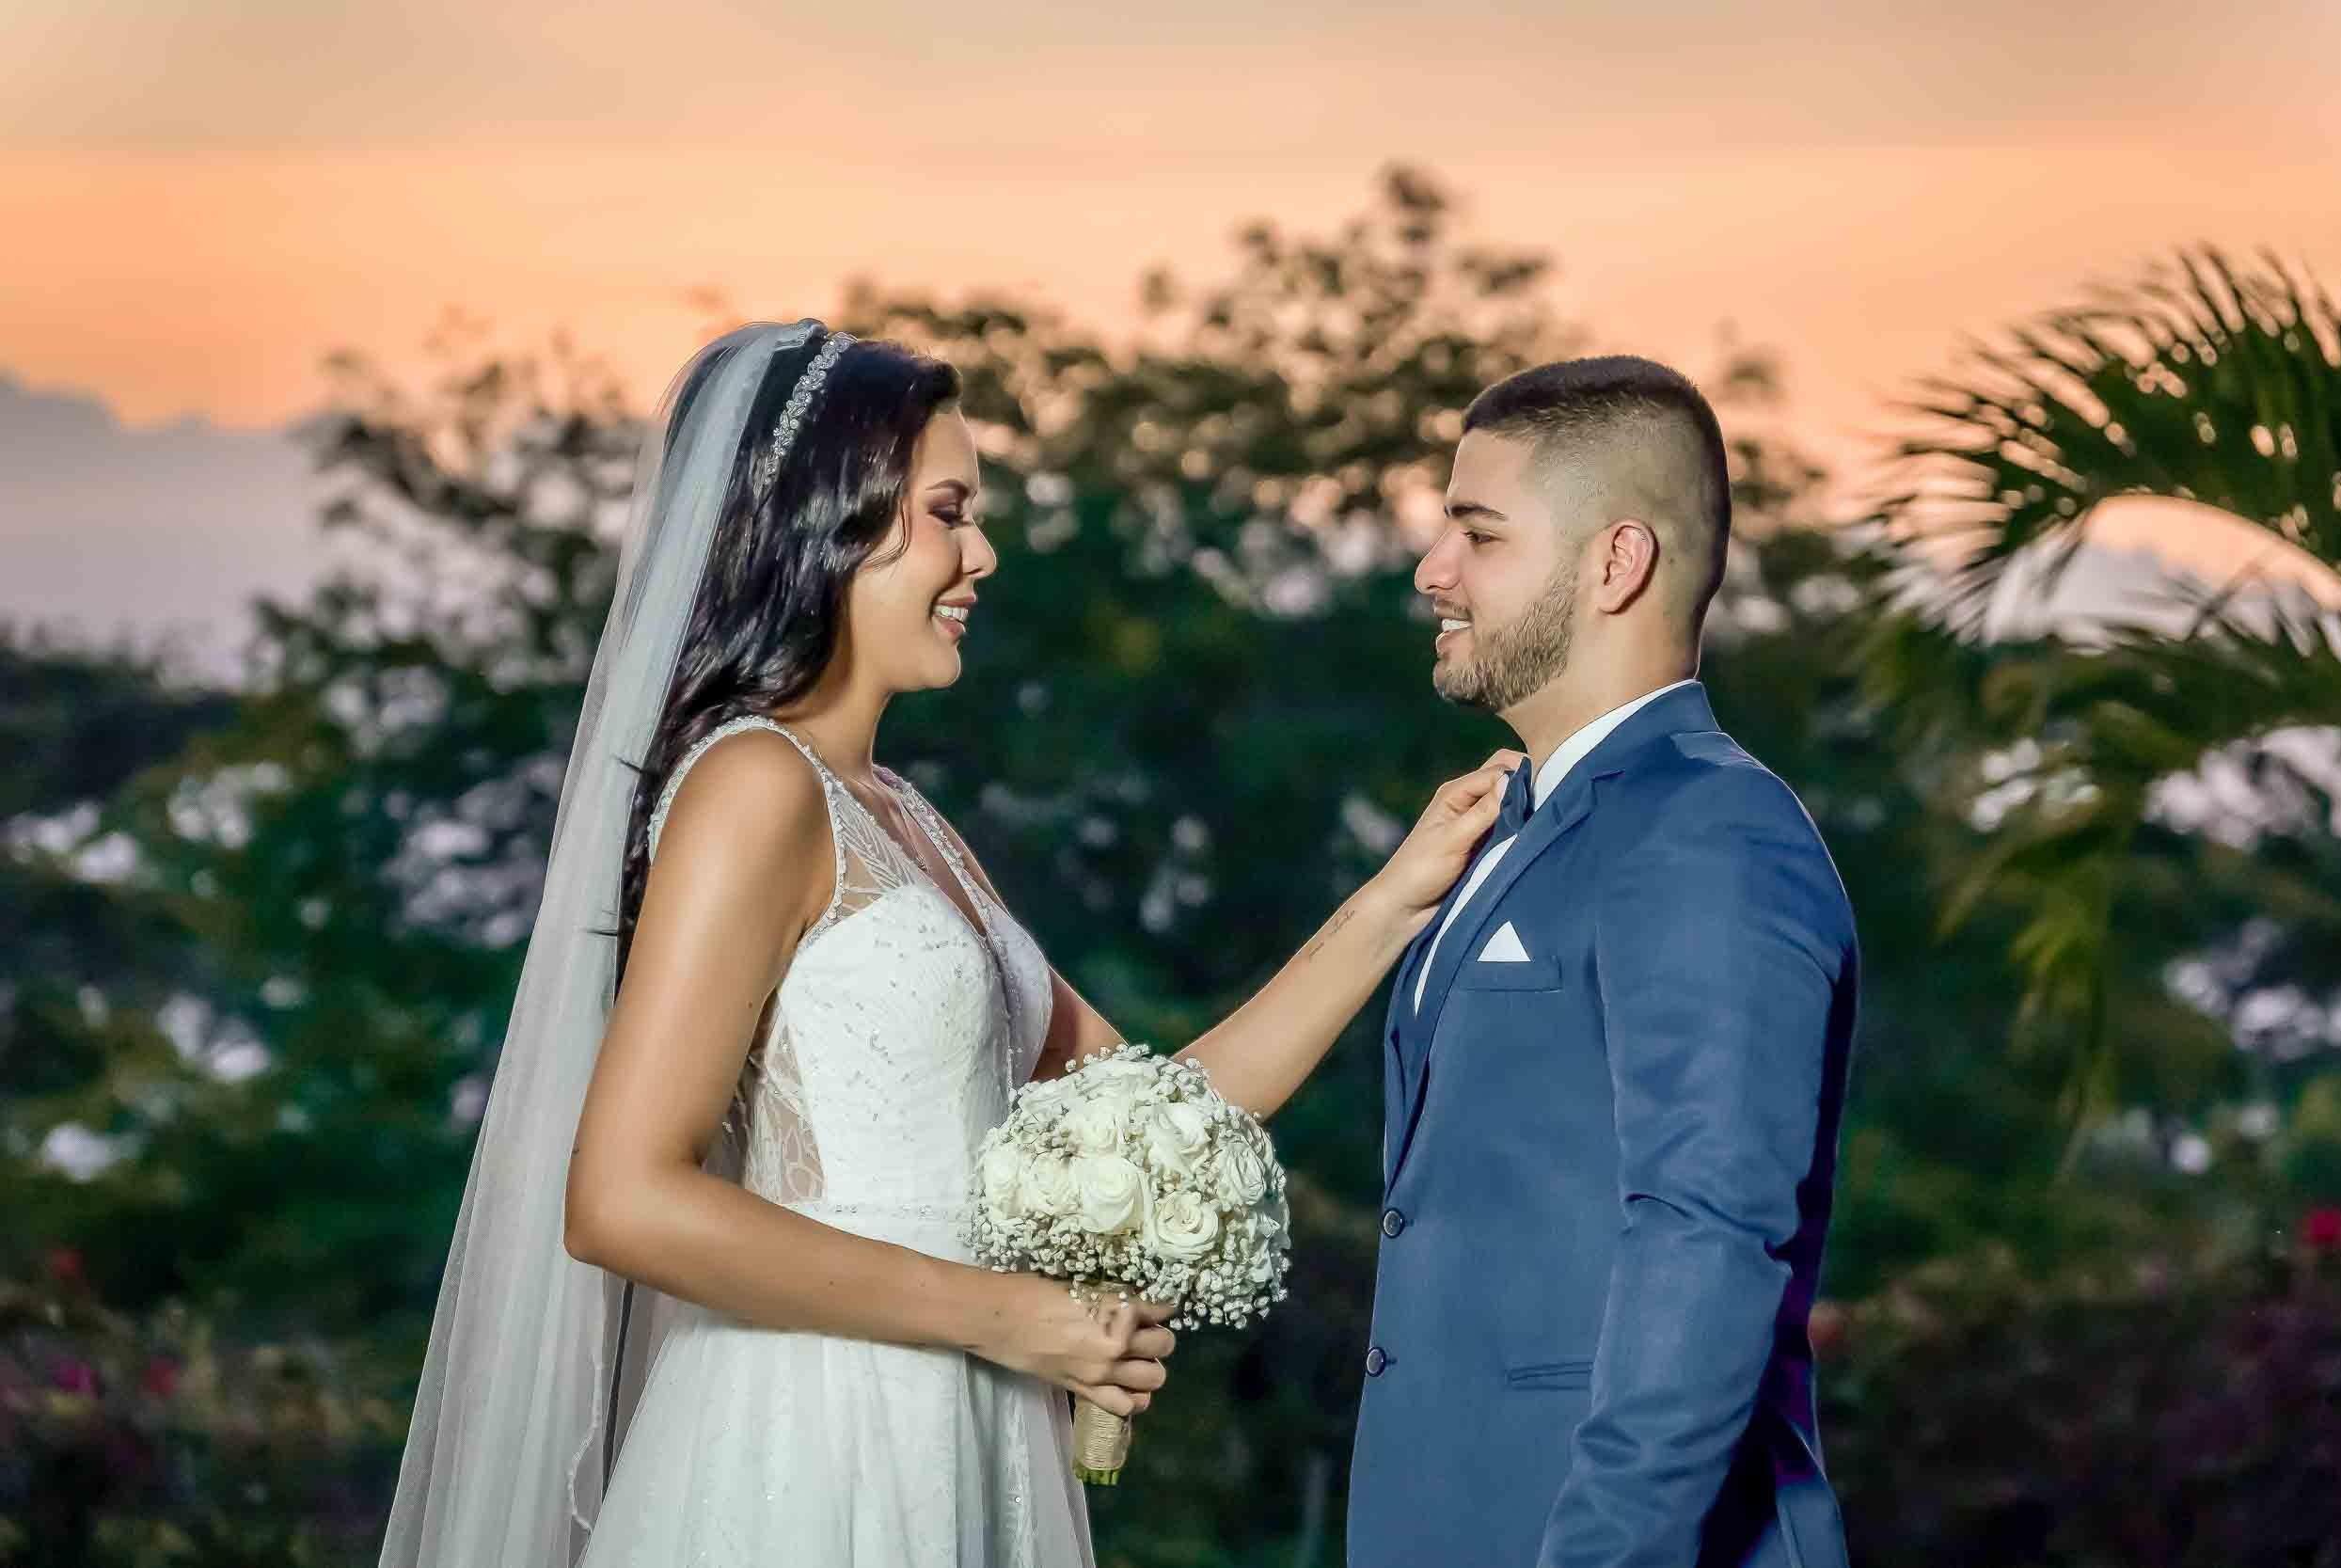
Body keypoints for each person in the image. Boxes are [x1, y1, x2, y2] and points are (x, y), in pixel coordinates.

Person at [378, 320, 1511, 1568]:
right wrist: (1012, 1317)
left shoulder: (902, 816)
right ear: (832, 520)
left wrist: (1399, 897)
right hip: (815, 1440)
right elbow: (623, 1200)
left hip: (966, 1422)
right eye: (948, 511)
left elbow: (1153, 1116)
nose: (983, 553)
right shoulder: (756, 785)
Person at [1347, 356, 1859, 1568]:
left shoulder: (1711, 832)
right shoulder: (1511, 825)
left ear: (1614, 564)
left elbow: (1711, 1236)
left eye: (1478, 532)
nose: (1435, 570)